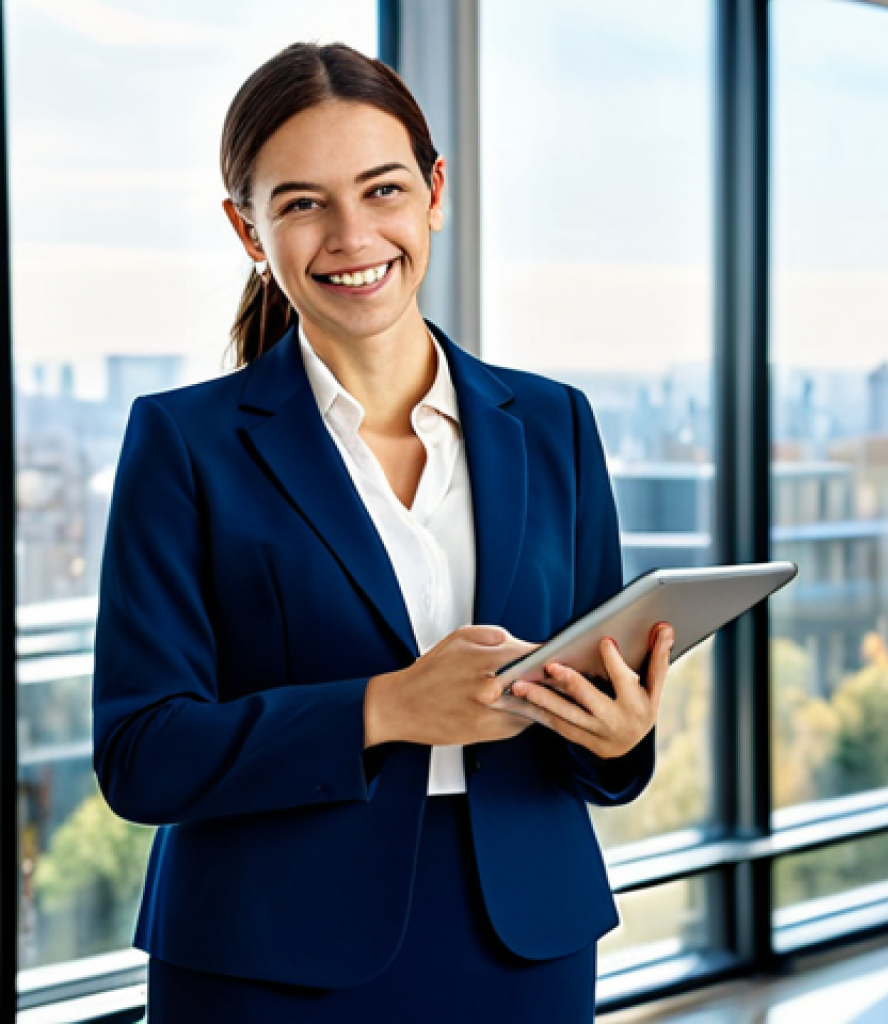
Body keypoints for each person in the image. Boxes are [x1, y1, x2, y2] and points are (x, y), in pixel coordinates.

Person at [92, 41, 672, 1023]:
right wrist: (385, 707)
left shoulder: (554, 423)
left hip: (521, 938)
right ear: (247, 229)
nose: (353, 235)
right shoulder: (183, 441)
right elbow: (143, 753)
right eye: (302, 202)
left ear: (435, 191)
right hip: (265, 951)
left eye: (383, 190)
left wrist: (618, 739)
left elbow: (593, 714)